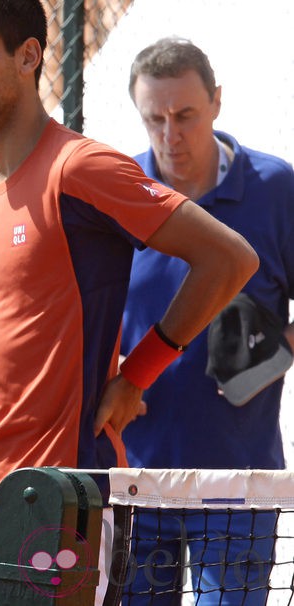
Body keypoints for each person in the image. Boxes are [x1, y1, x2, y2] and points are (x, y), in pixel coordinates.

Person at [0, 0, 259, 606]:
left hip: (62, 489)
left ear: (28, 56)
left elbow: (228, 259)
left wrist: (138, 375)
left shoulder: (82, 168)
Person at [120, 37, 294, 605]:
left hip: (239, 481)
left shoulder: (276, 190)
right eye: (156, 119)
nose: (171, 134)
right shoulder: (119, 195)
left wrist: (272, 355)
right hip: (136, 480)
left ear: (216, 102)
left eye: (186, 115)